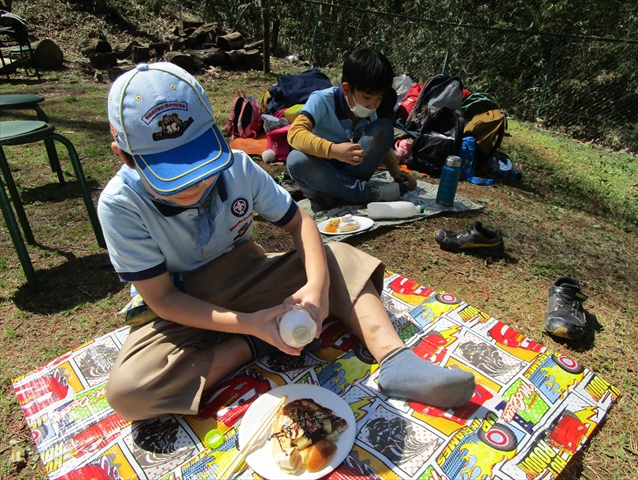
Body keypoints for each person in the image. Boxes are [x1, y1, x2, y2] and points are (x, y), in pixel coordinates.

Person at [97, 62, 475, 421]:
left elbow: (302, 223)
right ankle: (256, 343)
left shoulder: (237, 167)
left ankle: (396, 361)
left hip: (245, 275)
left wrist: (315, 289)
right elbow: (162, 299)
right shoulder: (120, 205)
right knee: (131, 392)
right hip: (181, 303)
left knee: (336, 257)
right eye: (173, 175)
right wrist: (249, 326)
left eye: (199, 163)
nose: (194, 185)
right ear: (124, 157)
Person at [286, 48, 417, 210]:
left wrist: (395, 171)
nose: (373, 105)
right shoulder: (321, 100)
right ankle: (362, 194)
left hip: (350, 173)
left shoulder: (369, 109)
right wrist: (332, 150)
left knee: (384, 129)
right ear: (346, 89)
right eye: (368, 98)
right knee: (296, 160)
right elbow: (295, 133)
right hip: (322, 174)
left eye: (379, 99)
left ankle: (336, 195)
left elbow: (380, 141)